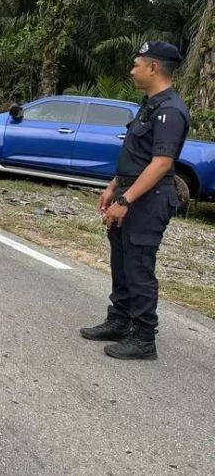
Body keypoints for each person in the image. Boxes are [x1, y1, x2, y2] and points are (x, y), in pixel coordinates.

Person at [80, 41, 189, 360]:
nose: (131, 70)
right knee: (122, 262)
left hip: (148, 200)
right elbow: (136, 156)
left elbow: (161, 163)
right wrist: (114, 186)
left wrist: (125, 200)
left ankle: (143, 338)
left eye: (136, 64)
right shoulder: (150, 104)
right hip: (130, 192)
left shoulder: (170, 109)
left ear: (153, 67)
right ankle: (119, 321)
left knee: (139, 266)